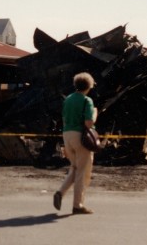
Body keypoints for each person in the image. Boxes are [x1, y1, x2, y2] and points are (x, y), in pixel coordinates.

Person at [53, 72, 97, 214]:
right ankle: (77, 205)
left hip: (67, 135)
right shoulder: (87, 101)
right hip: (80, 137)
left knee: (75, 167)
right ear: (89, 85)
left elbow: (64, 119)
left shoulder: (68, 99)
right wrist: (95, 113)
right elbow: (88, 123)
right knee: (82, 173)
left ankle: (60, 192)